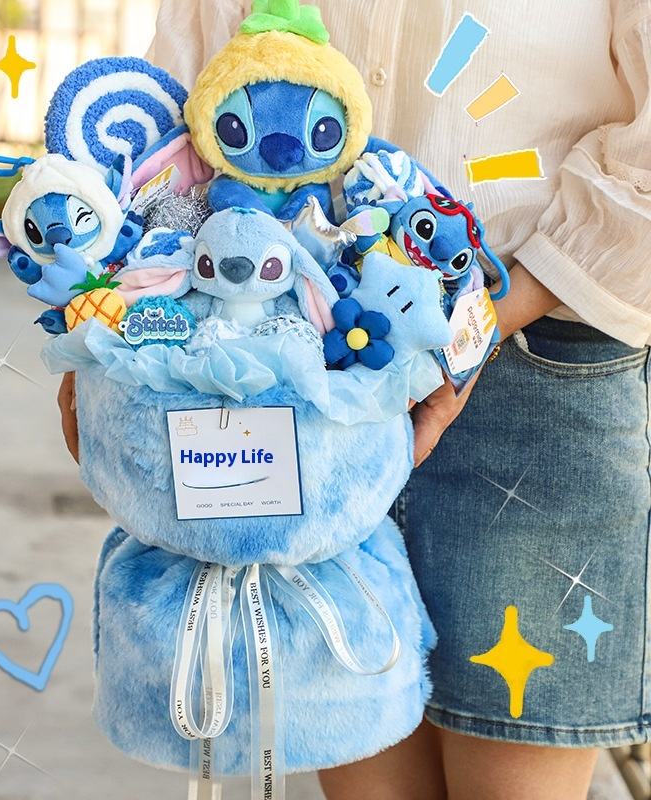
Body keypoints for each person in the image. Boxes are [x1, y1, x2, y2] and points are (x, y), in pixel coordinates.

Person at [59, 2, 651, 797]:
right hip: (301, 362)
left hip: (537, 361)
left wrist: (468, 331)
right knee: (357, 748)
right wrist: (113, 329)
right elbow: (182, 100)